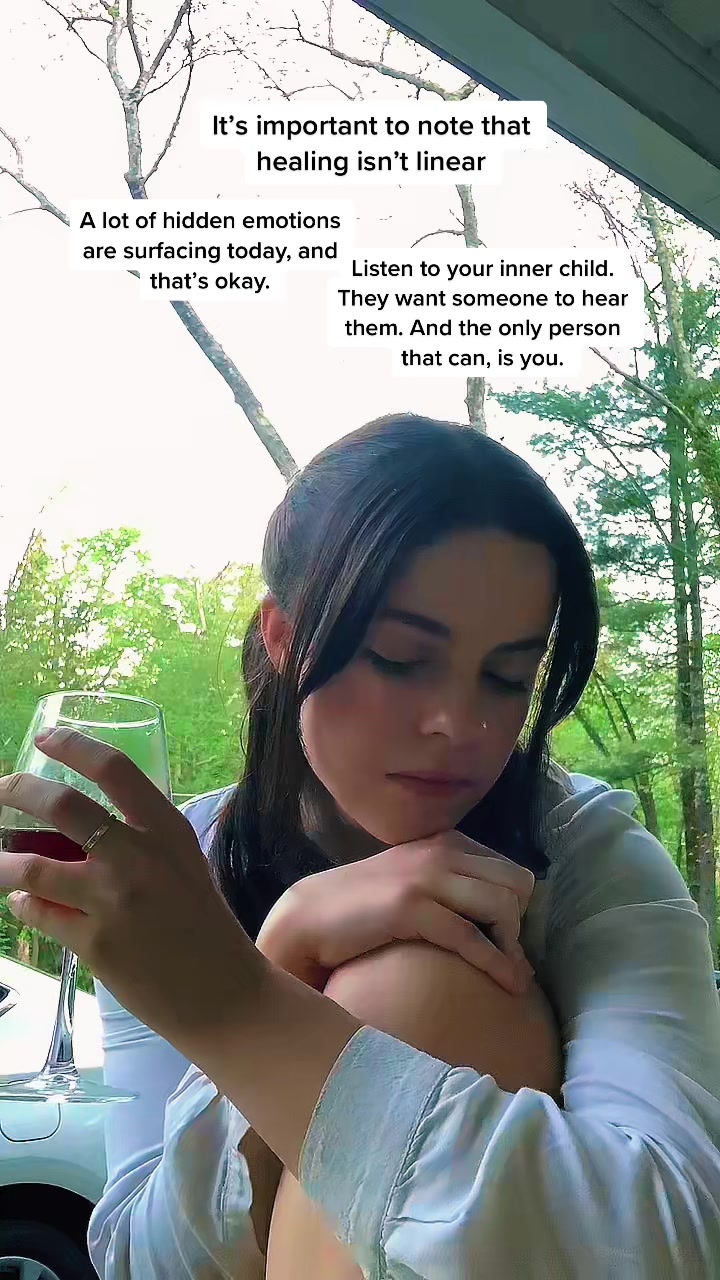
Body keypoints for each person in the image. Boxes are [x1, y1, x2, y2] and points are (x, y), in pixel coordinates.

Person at [1, 413, 719, 1278]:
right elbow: (140, 1262)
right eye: (400, 658)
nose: (459, 722)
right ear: (285, 639)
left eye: (507, 677)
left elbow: (679, 1236)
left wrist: (244, 1003)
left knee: (416, 980)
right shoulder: (181, 866)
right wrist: (284, 948)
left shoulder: (587, 847)